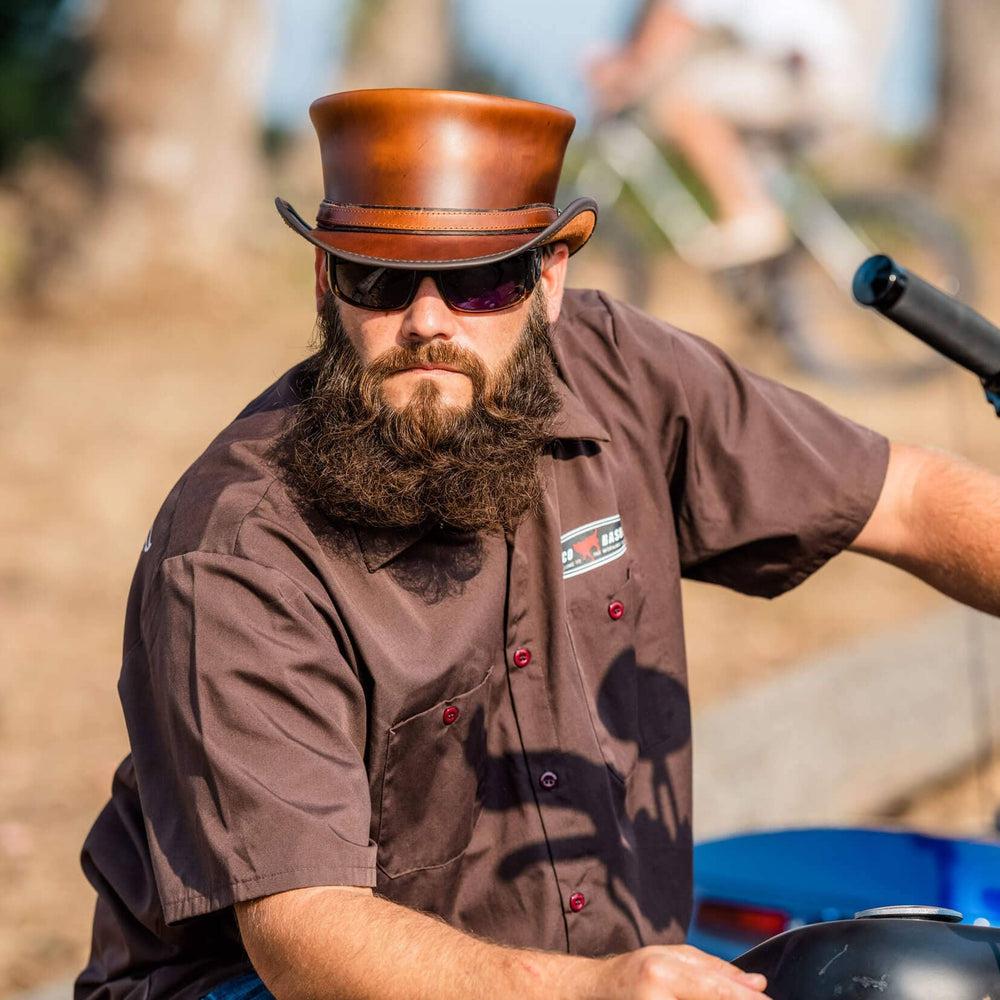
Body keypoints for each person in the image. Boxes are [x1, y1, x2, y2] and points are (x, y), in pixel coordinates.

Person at [75, 88, 1000, 1000]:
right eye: (382, 279)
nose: (429, 321)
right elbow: (303, 931)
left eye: (480, 281)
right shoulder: (239, 551)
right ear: (326, 283)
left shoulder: (621, 371)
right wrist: (584, 990)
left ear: (546, 280)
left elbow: (907, 495)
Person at [588, 0, 870, 268]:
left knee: (680, 100)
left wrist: (623, 76)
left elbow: (667, 32)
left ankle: (748, 214)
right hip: (824, 73)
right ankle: (768, 276)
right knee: (759, 172)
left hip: (806, 75)